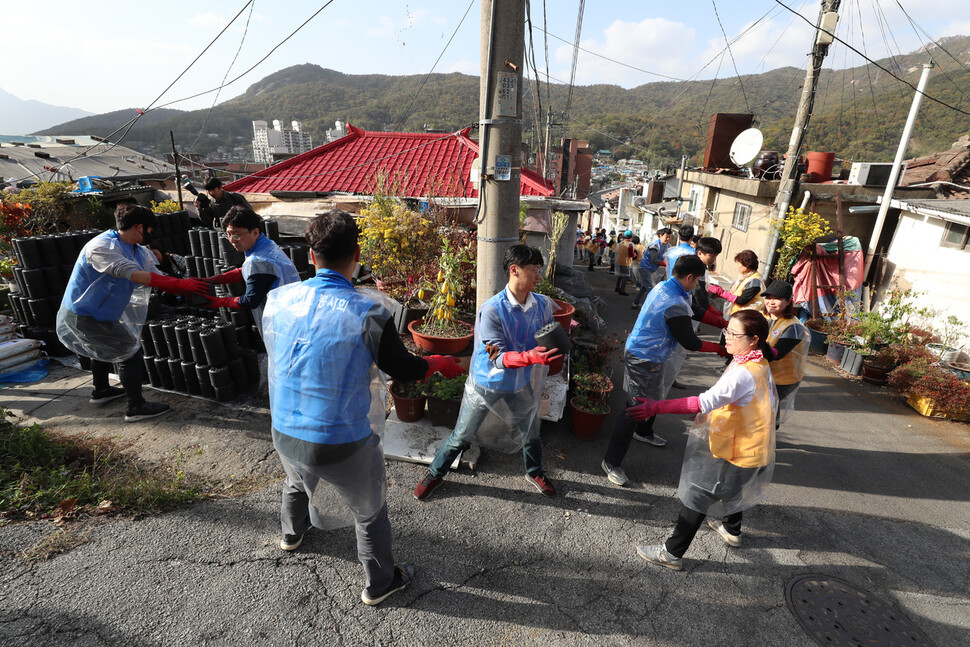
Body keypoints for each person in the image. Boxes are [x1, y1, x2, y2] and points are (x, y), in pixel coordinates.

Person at [262, 210, 464, 606]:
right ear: (357, 254)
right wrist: (437, 363)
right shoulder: (370, 311)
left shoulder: (279, 299)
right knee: (369, 512)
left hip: (285, 429)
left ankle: (291, 533)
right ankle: (379, 583)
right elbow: (402, 368)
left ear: (310, 255)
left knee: (297, 479)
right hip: (342, 439)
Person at [630, 309, 778, 570]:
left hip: (740, 452)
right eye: (726, 331)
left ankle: (672, 553)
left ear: (754, 339)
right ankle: (732, 530)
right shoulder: (756, 361)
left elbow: (703, 401)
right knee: (729, 490)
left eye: (734, 334)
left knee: (699, 495)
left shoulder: (743, 372)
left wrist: (657, 407)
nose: (726, 338)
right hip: (749, 448)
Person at [414, 245, 562, 501]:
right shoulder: (492, 309)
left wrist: (557, 342)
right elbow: (495, 356)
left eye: (540, 270)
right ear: (514, 271)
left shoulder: (541, 305)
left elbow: (548, 335)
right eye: (534, 270)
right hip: (488, 384)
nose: (539, 276)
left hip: (521, 381)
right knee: (461, 436)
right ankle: (434, 474)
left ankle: (535, 471)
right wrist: (530, 357)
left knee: (531, 430)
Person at [55, 204, 210, 422]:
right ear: (139, 227)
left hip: (103, 313)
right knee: (130, 351)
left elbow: (156, 276)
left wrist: (187, 285)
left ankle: (101, 391)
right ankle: (135, 406)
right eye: (149, 229)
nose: (150, 234)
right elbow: (136, 275)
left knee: (101, 348)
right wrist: (182, 285)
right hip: (83, 313)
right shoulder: (102, 247)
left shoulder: (139, 250)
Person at [601, 255, 729, 487]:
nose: (696, 284)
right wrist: (721, 349)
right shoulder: (673, 301)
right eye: (698, 280)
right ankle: (611, 461)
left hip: (650, 354)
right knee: (635, 407)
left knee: (654, 397)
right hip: (644, 357)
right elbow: (691, 341)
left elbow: (695, 309)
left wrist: (723, 323)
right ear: (690, 277)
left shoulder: (669, 286)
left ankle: (644, 431)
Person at [201, 206, 300, 335]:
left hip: (281, 325)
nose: (232, 240)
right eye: (228, 234)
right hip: (293, 311)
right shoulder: (267, 245)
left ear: (255, 232)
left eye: (237, 235)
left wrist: (221, 301)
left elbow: (250, 301)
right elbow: (249, 271)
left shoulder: (257, 260)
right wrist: (215, 280)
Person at [762, 280, 808, 427]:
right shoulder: (766, 317)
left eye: (777, 298)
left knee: (765, 406)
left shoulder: (794, 327)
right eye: (768, 297)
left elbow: (777, 353)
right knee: (768, 406)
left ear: (788, 301)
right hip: (767, 373)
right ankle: (768, 434)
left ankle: (767, 437)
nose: (771, 302)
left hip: (784, 379)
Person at [708, 249, 766, 314]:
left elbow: (742, 300)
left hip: (746, 317)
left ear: (747, 265)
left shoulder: (755, 281)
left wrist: (722, 293)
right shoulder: (745, 277)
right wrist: (719, 294)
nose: (738, 267)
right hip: (737, 313)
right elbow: (735, 293)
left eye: (739, 264)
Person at [632, 227, 671, 310]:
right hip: (645, 268)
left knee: (645, 287)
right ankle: (651, 308)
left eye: (669, 237)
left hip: (652, 269)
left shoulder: (668, 246)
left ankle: (636, 302)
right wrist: (665, 264)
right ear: (660, 236)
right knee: (651, 288)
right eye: (666, 236)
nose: (668, 239)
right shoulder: (655, 246)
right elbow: (654, 260)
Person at [614, 230, 636, 296]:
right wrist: (635, 255)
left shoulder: (621, 243)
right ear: (631, 237)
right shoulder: (630, 245)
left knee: (620, 275)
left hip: (619, 260)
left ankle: (617, 287)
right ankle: (622, 290)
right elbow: (631, 254)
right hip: (626, 262)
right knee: (626, 276)